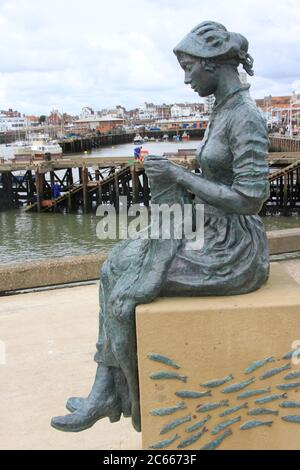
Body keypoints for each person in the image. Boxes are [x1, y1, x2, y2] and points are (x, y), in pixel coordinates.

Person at [51, 21, 270, 433]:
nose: (186, 78)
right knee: (113, 262)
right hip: (207, 227)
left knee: (127, 278)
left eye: (190, 68)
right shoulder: (221, 110)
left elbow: (250, 198)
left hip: (233, 248)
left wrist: (180, 176)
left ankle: (115, 395)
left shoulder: (245, 117)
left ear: (213, 65)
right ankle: (106, 389)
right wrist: (177, 174)